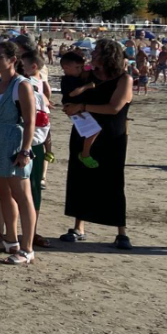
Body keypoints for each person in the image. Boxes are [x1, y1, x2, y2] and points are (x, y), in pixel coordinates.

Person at [61, 38, 134, 249]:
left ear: (109, 55)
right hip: (84, 131)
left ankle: (121, 232)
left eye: (97, 52)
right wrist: (70, 106)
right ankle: (78, 227)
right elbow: (71, 89)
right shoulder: (89, 75)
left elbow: (114, 108)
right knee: (80, 178)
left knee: (113, 182)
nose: (92, 55)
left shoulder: (124, 78)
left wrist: (82, 106)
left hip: (112, 136)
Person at [0, 41, 37, 265]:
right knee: (3, 193)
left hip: (14, 141)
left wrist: (25, 150)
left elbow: (30, 121)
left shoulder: (21, 85)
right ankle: (10, 239)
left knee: (23, 196)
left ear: (12, 60)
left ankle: (27, 248)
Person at [19, 48, 53, 248]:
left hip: (32, 141)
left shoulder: (31, 85)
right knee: (28, 189)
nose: (22, 69)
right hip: (35, 140)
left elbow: (41, 118)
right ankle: (24, 233)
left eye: (23, 66)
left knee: (29, 189)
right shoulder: (34, 84)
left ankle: (27, 234)